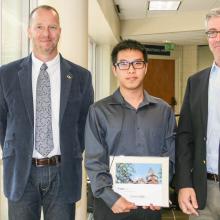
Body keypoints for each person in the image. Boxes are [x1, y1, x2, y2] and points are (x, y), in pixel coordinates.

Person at [0, 5, 93, 220]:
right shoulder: (6, 74)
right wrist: (15, 146)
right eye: (39, 27)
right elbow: (2, 120)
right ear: (29, 31)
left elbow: (83, 123)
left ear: (59, 31)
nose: (46, 33)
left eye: (52, 27)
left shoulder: (81, 77)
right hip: (21, 172)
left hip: (63, 172)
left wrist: (72, 149)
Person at [85, 39, 176, 220]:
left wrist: (160, 190)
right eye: (124, 64)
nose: (131, 70)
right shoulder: (98, 111)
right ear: (115, 69)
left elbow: (171, 155)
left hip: (150, 205)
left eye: (137, 63)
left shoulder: (163, 110)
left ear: (146, 68)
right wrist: (111, 198)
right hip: (110, 206)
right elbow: (94, 160)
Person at [176, 7, 220, 220]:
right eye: (212, 32)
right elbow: (185, 137)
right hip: (204, 191)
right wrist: (184, 183)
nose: (217, 38)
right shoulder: (196, 82)